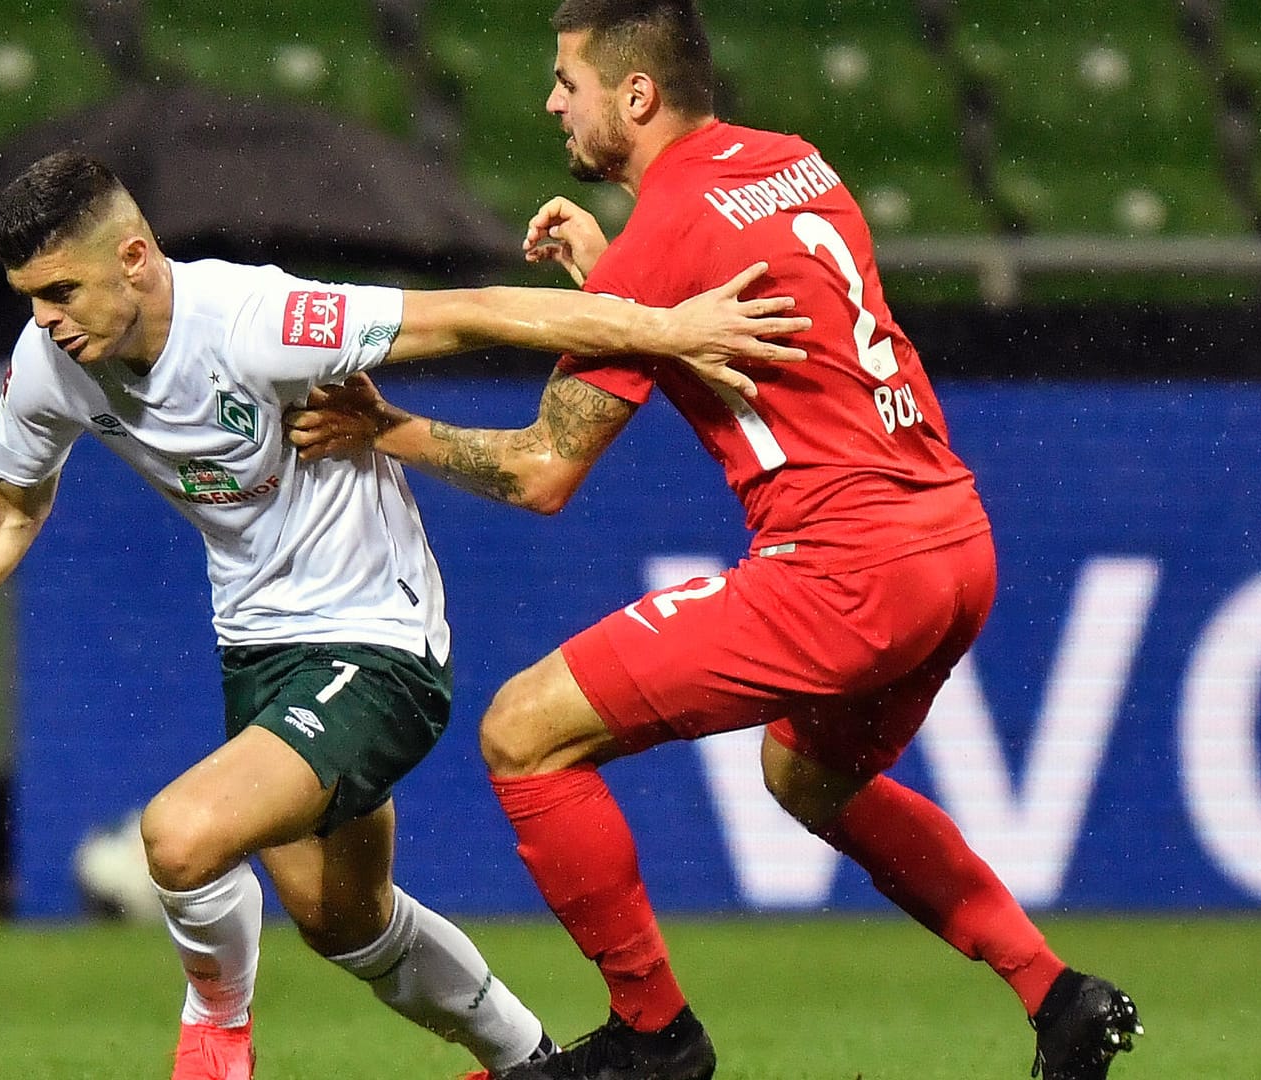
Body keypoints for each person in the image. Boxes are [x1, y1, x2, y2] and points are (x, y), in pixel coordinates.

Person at [283, 2, 1145, 1079]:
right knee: (805, 777)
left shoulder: (671, 233)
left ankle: (655, 1035)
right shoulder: (796, 163)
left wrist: (388, 426)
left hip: (845, 567)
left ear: (635, 95)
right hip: (954, 546)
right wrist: (614, 281)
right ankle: (1057, 995)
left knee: (522, 732)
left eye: (569, 80)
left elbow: (543, 471)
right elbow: (729, 313)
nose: (554, 101)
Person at [0, 149, 808, 1080]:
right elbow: (8, 503)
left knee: (181, 836)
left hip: (377, 647)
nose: (48, 322)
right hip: (260, 653)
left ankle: (216, 1031)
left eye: (61, 293)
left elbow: (477, 315)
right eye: (31, 301)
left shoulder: (259, 318)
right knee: (349, 926)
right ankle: (532, 1063)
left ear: (133, 258)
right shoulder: (51, 365)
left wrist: (667, 328)